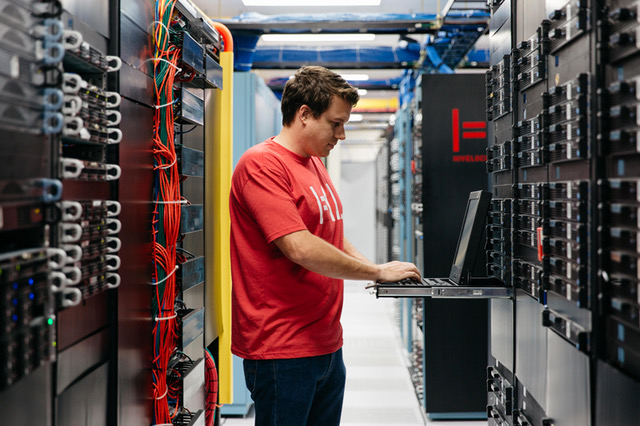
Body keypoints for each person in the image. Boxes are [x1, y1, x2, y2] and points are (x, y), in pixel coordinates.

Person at [229, 65, 420, 426]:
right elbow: (299, 247)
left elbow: (327, 231)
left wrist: (378, 272)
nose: (342, 134)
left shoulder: (314, 163)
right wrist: (376, 270)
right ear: (304, 114)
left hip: (327, 343)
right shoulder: (262, 165)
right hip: (282, 349)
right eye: (335, 123)